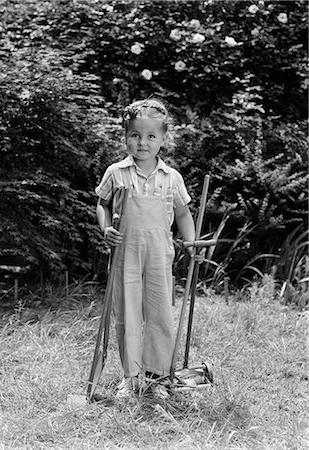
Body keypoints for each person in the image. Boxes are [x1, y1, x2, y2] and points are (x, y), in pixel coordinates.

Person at [95, 98, 198, 401]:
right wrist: (106, 229)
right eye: (135, 135)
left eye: (151, 136)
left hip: (158, 254)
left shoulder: (171, 177)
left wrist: (190, 243)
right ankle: (131, 376)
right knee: (126, 313)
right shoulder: (116, 172)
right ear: (125, 136)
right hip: (124, 253)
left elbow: (182, 213)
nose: (142, 142)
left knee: (160, 314)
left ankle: (158, 376)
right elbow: (102, 204)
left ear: (163, 139)